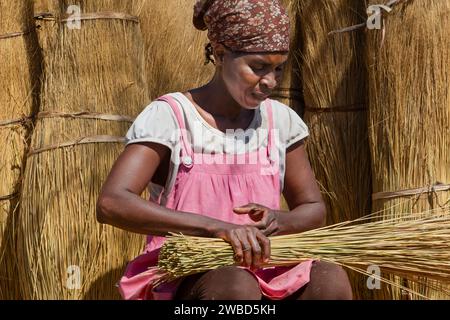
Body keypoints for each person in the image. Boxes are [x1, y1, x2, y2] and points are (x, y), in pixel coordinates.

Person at [96, 0, 353, 300]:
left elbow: (313, 208)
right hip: (186, 276)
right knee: (235, 288)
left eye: (278, 68)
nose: (270, 81)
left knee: (330, 281)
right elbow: (112, 203)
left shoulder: (280, 121)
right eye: (258, 67)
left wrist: (278, 221)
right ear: (219, 55)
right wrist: (217, 229)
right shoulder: (172, 117)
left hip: (266, 270)